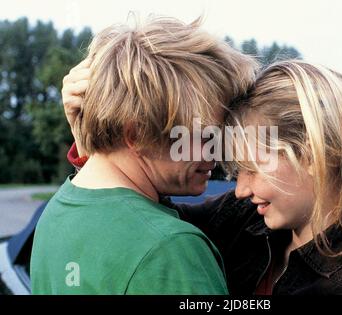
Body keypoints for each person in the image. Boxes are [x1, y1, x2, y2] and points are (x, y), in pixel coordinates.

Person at [63, 57, 342, 294]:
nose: (239, 189)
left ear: (313, 155)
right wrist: (95, 138)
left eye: (252, 169)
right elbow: (144, 214)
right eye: (236, 171)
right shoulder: (242, 220)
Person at [30, 16, 257, 294]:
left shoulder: (56, 213)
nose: (216, 152)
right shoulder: (168, 249)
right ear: (135, 135)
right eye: (204, 136)